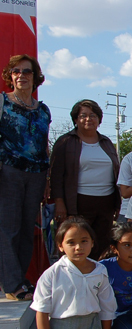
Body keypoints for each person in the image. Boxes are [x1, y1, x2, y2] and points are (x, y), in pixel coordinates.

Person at [27, 217, 117, 329]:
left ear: (92, 243)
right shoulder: (52, 275)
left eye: (84, 241)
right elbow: (41, 311)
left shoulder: (100, 271)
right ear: (61, 246)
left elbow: (107, 309)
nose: (78, 247)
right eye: (71, 242)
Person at [0, 54, 50, 301]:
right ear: (10, 76)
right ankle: (11, 284)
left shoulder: (43, 110)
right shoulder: (3, 102)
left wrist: (47, 179)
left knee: (27, 230)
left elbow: (44, 145)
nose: (21, 76)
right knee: (8, 228)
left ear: (35, 77)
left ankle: (20, 280)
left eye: (27, 71)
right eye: (16, 71)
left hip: (37, 174)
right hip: (9, 172)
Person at [50, 99, 120, 260]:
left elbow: (115, 172)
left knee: (101, 246)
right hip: (78, 203)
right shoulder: (65, 142)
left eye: (93, 115)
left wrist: (116, 204)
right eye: (83, 115)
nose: (88, 119)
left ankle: (97, 281)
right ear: (75, 119)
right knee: (78, 245)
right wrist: (59, 202)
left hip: (106, 203)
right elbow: (56, 175)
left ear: (99, 120)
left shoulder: (106, 142)